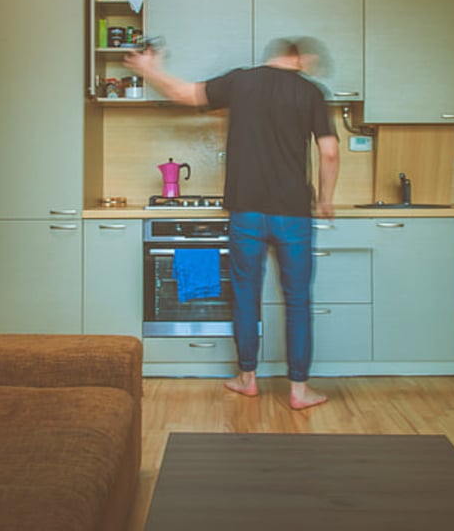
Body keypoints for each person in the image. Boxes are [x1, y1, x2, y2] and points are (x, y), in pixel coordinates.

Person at [123, 37, 339, 410]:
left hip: (246, 210)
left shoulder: (242, 82)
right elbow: (330, 152)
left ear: (271, 56)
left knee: (245, 294)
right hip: (294, 213)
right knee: (298, 300)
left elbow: (183, 94)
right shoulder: (311, 92)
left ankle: (247, 379)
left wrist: (149, 69)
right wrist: (325, 198)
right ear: (299, 59)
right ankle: (300, 391)